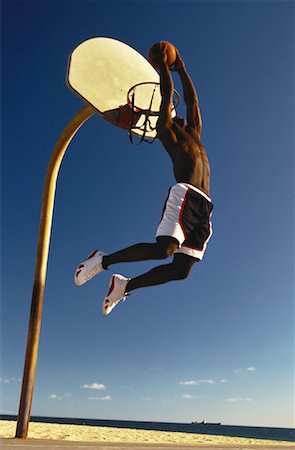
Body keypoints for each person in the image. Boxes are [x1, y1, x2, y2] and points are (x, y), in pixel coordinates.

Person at [74, 45, 213, 315]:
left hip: (205, 205)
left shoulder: (194, 133)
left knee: (182, 270)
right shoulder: (166, 131)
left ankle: (124, 287)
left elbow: (193, 102)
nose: (180, 113)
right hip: (185, 195)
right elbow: (164, 96)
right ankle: (102, 260)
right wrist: (163, 67)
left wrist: (182, 69)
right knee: (165, 250)